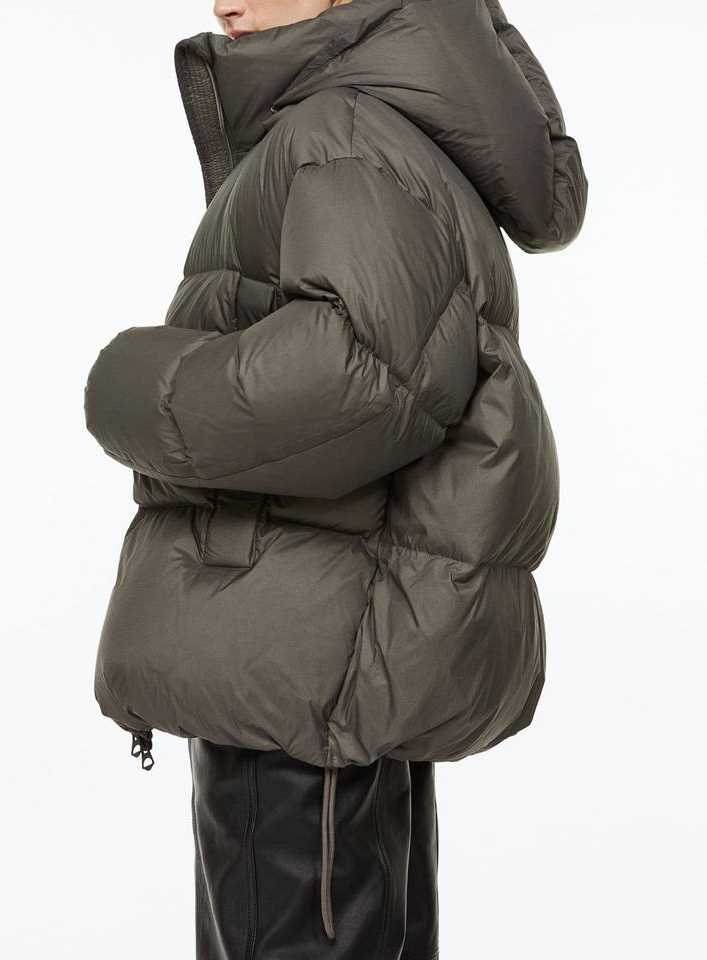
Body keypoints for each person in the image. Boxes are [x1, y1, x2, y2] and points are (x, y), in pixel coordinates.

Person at [83, 0, 588, 956]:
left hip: (296, 663)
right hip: (329, 650)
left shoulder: (344, 129)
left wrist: (134, 387)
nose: (225, 2)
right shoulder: (379, 123)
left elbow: (359, 379)